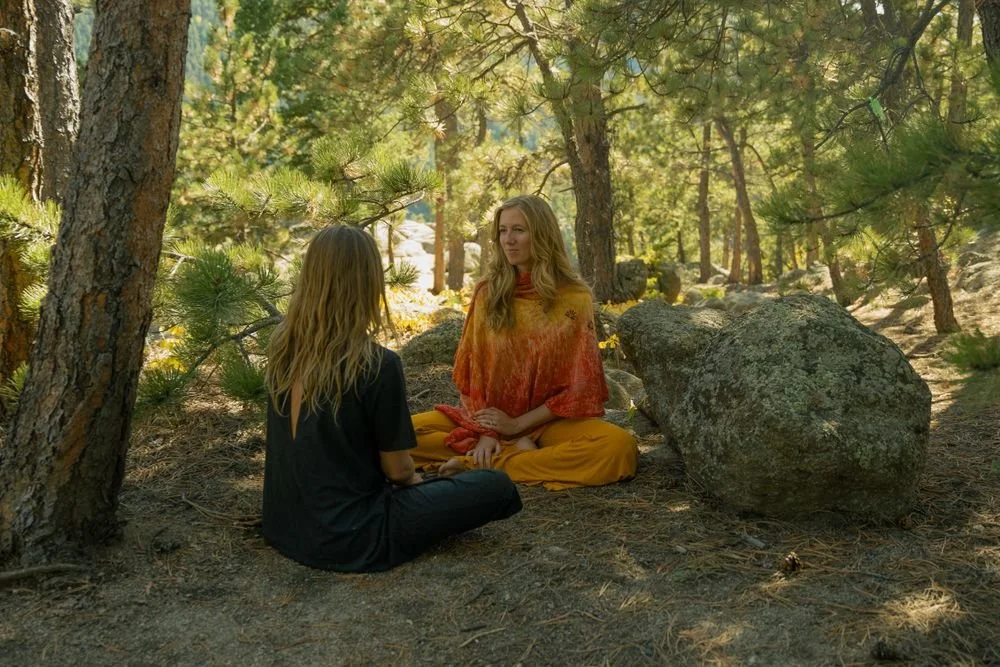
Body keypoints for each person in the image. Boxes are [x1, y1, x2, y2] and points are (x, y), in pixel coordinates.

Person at [261, 225, 522, 572]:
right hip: (352, 536)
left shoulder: (283, 348)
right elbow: (399, 472)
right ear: (367, 283)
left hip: (284, 527)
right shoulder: (375, 364)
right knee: (496, 487)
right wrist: (425, 483)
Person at [411, 195, 638, 490]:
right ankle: (515, 456)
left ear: (542, 235)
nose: (509, 240)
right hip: (483, 421)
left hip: (548, 424)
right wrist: (489, 432)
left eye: (519, 230)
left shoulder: (574, 299)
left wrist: (517, 426)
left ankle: (485, 465)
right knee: (392, 437)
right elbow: (473, 375)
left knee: (618, 448)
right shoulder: (487, 293)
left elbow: (581, 385)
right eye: (503, 231)